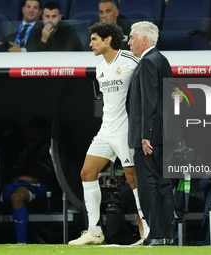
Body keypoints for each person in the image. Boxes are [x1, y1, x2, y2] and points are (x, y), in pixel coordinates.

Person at [68, 21, 149, 246]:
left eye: (94, 39)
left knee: (133, 179)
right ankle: (94, 231)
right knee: (87, 173)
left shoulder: (131, 61)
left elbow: (149, 83)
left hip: (125, 131)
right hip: (106, 130)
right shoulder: (100, 67)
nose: (90, 43)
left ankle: (147, 227)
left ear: (108, 40)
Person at [126, 21, 176, 246]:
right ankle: (166, 235)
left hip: (148, 138)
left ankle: (155, 234)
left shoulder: (147, 62)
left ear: (144, 40)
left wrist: (146, 134)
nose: (129, 42)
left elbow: (150, 101)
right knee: (164, 187)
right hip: (164, 136)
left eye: (132, 37)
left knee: (148, 187)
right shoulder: (162, 60)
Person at [1, 117, 53, 244]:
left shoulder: (50, 150)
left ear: (46, 133)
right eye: (31, 133)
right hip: (17, 182)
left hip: (40, 187)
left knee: (17, 197)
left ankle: (21, 245)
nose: (34, 136)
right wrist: (20, 177)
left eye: (38, 133)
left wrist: (31, 150)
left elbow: (37, 175)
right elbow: (12, 172)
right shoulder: (21, 150)